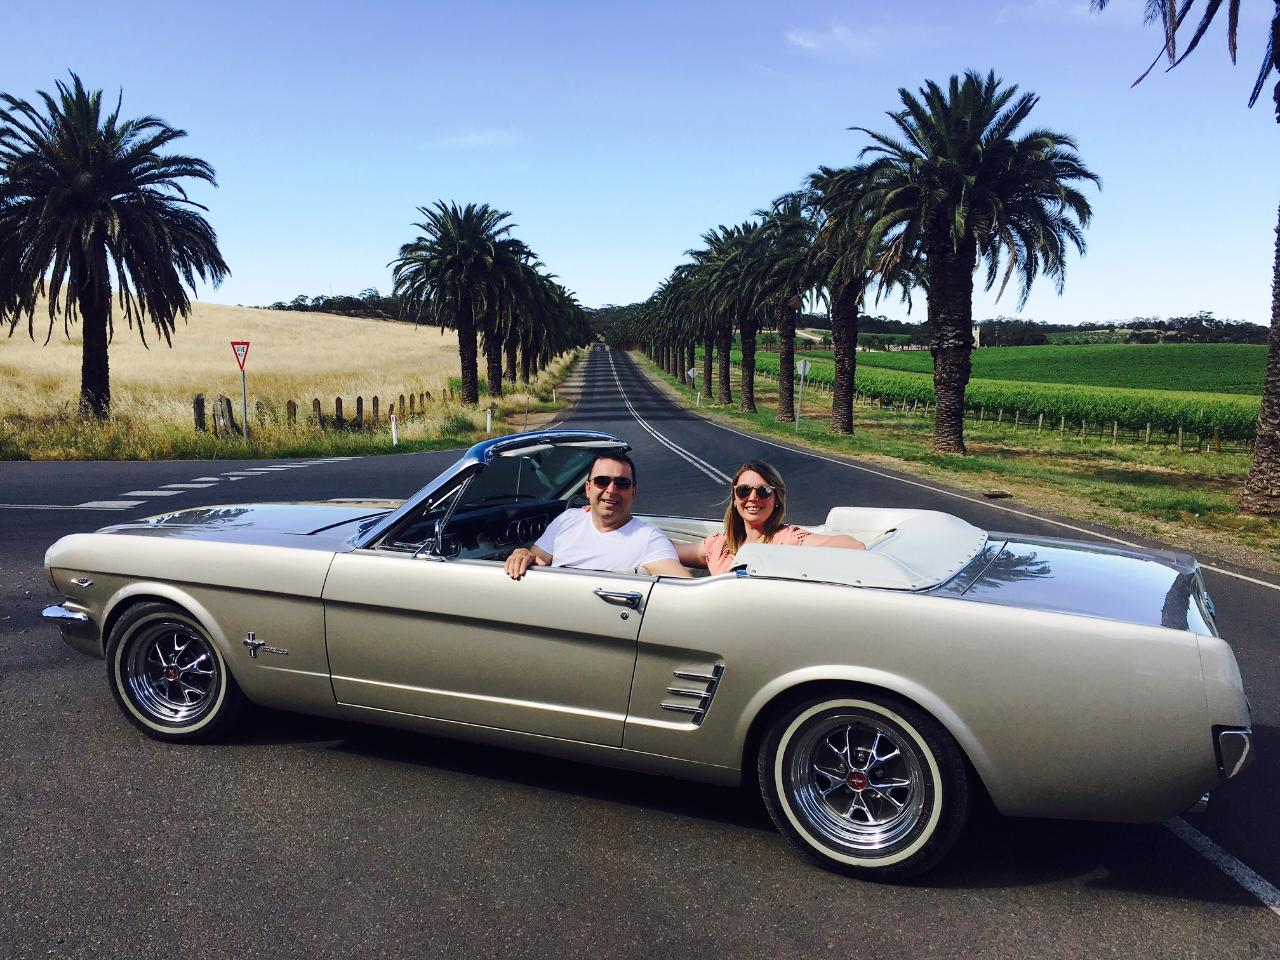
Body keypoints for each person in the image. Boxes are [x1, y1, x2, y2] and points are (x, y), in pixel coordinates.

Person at [504, 451, 692, 580]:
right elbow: (537, 558)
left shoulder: (648, 538)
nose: (611, 490)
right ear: (588, 489)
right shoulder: (567, 519)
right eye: (602, 481)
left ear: (633, 492)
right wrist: (522, 553)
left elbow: (685, 588)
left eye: (622, 483)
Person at [676, 460, 865, 574]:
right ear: (734, 499)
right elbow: (671, 549)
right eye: (743, 491)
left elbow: (854, 546)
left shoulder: (787, 539)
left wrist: (777, 557)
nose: (752, 498)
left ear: (776, 499)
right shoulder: (719, 545)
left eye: (764, 491)